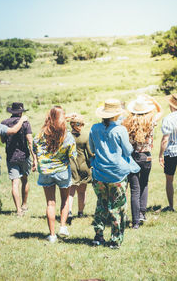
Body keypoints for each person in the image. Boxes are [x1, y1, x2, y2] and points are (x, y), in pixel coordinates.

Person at [89, 99, 140, 249]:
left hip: (99, 173)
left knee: (101, 205)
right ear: (117, 114)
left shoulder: (94, 128)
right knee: (118, 207)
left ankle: (98, 236)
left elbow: (92, 148)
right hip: (117, 173)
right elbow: (127, 150)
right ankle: (115, 240)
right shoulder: (120, 130)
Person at [33, 106, 77, 243]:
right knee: (65, 200)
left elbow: (34, 147)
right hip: (62, 171)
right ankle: (63, 227)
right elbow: (72, 155)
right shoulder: (66, 135)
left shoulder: (41, 135)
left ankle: (52, 235)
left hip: (46, 172)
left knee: (50, 203)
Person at [123, 95, 162, 228]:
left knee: (135, 189)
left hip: (133, 157)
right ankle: (142, 213)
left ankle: (135, 222)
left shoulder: (128, 123)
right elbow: (160, 111)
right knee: (144, 184)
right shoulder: (150, 121)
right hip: (146, 156)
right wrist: (154, 101)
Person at [1, 102, 37, 216]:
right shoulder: (25, 123)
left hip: (11, 156)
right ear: (21, 112)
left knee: (14, 183)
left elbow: (2, 140)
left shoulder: (4, 123)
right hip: (24, 156)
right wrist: (35, 158)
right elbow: (30, 142)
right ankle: (24, 205)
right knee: (25, 180)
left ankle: (18, 210)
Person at [67, 113, 93, 224]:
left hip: (70, 165)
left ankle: (68, 211)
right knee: (82, 192)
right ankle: (81, 212)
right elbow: (91, 153)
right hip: (83, 165)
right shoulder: (86, 135)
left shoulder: (67, 135)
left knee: (70, 191)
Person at [159, 93, 177, 211]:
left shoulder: (168, 118)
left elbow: (165, 139)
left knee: (169, 180)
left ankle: (171, 206)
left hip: (171, 152)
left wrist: (160, 155)